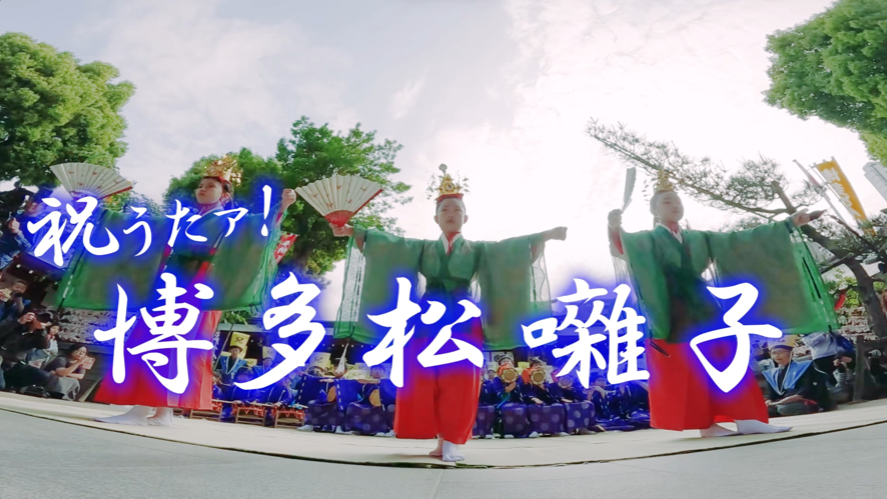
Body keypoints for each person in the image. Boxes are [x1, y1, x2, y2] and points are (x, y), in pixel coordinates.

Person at [331, 164, 565, 461]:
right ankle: (438, 438)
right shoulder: (422, 248)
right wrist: (353, 231)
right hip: (427, 317)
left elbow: (509, 252)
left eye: (456, 210)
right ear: (436, 218)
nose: (451, 214)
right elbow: (390, 246)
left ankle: (453, 439)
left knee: (460, 379)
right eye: (445, 210)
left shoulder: (478, 250)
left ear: (466, 217)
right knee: (422, 376)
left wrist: (544, 235)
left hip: (462, 318)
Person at [60, 156, 297, 427]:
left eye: (210, 186)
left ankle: (141, 412)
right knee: (169, 347)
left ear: (225, 194)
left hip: (196, 290)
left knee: (164, 345)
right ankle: (162, 413)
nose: (202, 189)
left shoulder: (231, 220)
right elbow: (144, 227)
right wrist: (99, 209)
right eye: (201, 185)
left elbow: (258, 226)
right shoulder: (185, 219)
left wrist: (281, 207)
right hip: (174, 287)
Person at [608, 168, 835, 437]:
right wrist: (614, 228)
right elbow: (625, 247)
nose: (674, 205)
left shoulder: (699, 238)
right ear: (654, 210)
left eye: (677, 200)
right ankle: (706, 424)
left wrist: (787, 224)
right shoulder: (647, 239)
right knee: (689, 367)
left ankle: (747, 418)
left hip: (702, 302)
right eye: (667, 201)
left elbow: (740, 240)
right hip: (671, 309)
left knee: (730, 356)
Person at [763, 337, 832, 416]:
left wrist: (778, 403)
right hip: (781, 403)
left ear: (791, 353)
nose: (777, 355)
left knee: (784, 409)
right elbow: (771, 394)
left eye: (780, 352)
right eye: (773, 353)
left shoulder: (804, 367)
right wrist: (769, 400)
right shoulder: (773, 373)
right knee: (764, 410)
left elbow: (804, 391)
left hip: (802, 400)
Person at [0, 311, 53, 391]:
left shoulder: (38, 335)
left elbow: (43, 346)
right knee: (0, 385)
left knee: (44, 376)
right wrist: (19, 321)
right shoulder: (13, 323)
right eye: (39, 318)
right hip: (1, 359)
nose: (40, 320)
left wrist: (41, 330)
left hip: (15, 365)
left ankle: (12, 385)